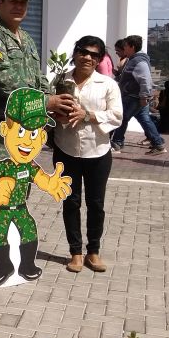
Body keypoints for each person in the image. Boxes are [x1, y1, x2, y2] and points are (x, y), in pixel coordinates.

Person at [0, 0, 77, 272]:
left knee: (17, 188)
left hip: (23, 128)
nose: (19, 6)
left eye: (24, 2)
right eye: (13, 0)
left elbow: (36, 79)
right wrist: (46, 103)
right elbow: (4, 81)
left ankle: (6, 254)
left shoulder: (25, 38)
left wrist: (57, 104)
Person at [52, 36, 122, 274]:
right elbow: (50, 110)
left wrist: (88, 115)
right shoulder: (60, 81)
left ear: (100, 60)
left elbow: (116, 116)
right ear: (75, 53)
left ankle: (93, 251)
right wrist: (56, 116)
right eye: (83, 52)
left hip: (98, 152)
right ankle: (75, 253)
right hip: (66, 149)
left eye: (94, 55)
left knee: (96, 204)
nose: (88, 58)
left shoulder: (108, 85)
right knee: (70, 202)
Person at [110, 35, 166, 155]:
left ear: (132, 47)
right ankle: (158, 144)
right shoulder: (134, 60)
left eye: (125, 46)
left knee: (122, 118)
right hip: (137, 97)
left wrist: (144, 96)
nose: (123, 49)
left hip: (134, 97)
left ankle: (117, 143)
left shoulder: (138, 61)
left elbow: (145, 79)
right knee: (145, 120)